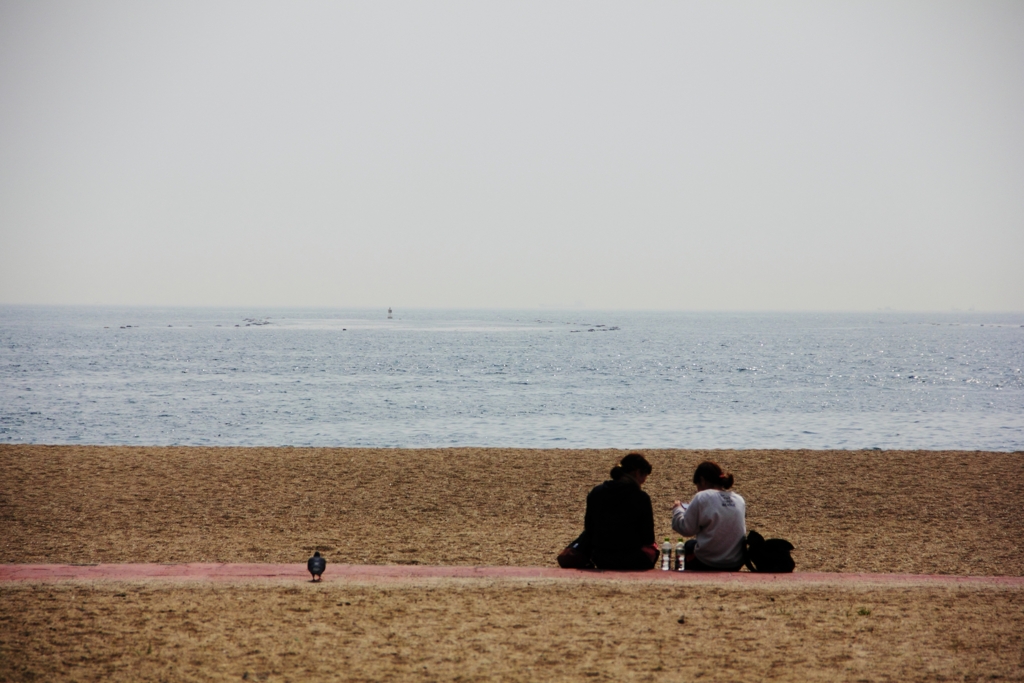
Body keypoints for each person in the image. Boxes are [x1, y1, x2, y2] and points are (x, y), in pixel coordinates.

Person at [559, 453, 658, 570]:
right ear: (637, 473)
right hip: (633, 559)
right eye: (645, 475)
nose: (644, 481)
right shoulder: (641, 497)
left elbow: (589, 527)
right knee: (653, 549)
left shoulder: (597, 492)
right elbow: (648, 538)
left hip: (601, 557)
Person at [670, 460, 746, 571]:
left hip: (709, 562)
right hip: (735, 562)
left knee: (688, 546)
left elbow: (686, 529)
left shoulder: (702, 496)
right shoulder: (739, 499)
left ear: (702, 481)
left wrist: (677, 510)